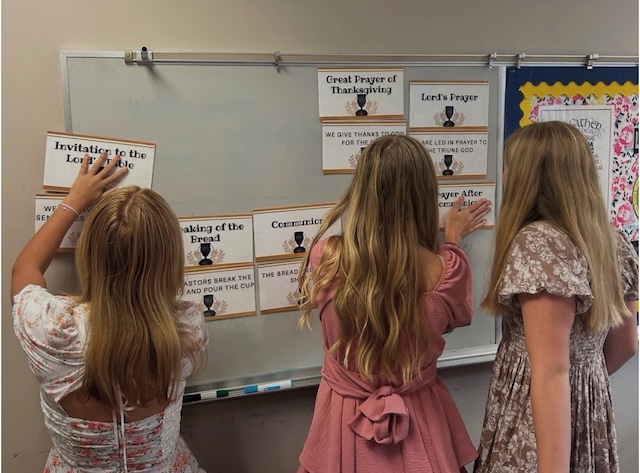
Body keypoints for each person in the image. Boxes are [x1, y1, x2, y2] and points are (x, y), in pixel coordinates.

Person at [295, 135, 492, 473]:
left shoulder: (326, 257)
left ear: (362, 190)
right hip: (421, 420)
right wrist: (452, 241)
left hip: (343, 421)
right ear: (424, 194)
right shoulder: (447, 269)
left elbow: (378, 279)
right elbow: (449, 318)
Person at [12, 153, 209, 472]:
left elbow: (25, 268)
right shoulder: (187, 328)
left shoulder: (52, 329)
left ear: (89, 252)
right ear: (171, 259)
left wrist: (73, 202)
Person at [473, 121, 639, 473]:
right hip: (585, 408)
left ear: (528, 177)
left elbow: (550, 373)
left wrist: (564, 386)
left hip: (536, 419)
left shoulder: (539, 243)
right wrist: (582, 385)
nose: (504, 175)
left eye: (508, 166)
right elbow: (626, 344)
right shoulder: (611, 239)